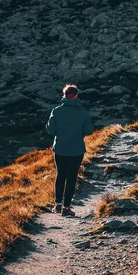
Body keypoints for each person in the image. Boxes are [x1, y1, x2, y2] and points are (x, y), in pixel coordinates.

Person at [46, 84, 94, 216]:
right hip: (77, 149)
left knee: (60, 175)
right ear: (77, 96)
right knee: (71, 177)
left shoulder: (56, 111)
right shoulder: (83, 112)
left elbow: (50, 130)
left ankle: (57, 205)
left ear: (64, 95)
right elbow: (89, 131)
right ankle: (67, 207)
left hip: (60, 148)